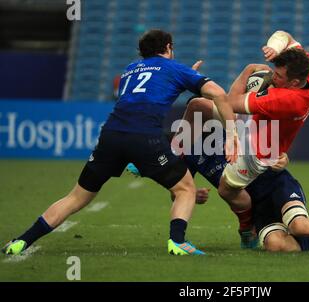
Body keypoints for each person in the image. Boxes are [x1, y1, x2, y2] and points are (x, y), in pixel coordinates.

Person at [2, 29, 237, 256]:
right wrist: (232, 133)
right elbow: (218, 93)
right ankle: (177, 242)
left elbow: (149, 91)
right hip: (145, 137)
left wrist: (184, 77)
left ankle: (22, 240)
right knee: (186, 188)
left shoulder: (130, 69)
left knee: (76, 197)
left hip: (111, 135)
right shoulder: (174, 68)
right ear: (168, 47)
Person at [127, 97, 309, 253]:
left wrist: (282, 158)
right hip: (257, 208)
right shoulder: (191, 155)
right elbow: (178, 187)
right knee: (277, 247)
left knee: (300, 226)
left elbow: (273, 145)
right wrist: (190, 194)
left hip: (277, 184)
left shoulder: (235, 131)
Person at [215, 30, 309, 244]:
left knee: (226, 189)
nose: (273, 77)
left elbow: (228, 102)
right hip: (267, 140)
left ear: (293, 83)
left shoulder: (281, 99)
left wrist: (247, 71)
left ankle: (248, 225)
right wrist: (275, 46)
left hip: (255, 148)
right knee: (199, 105)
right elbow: (286, 36)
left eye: (279, 76)